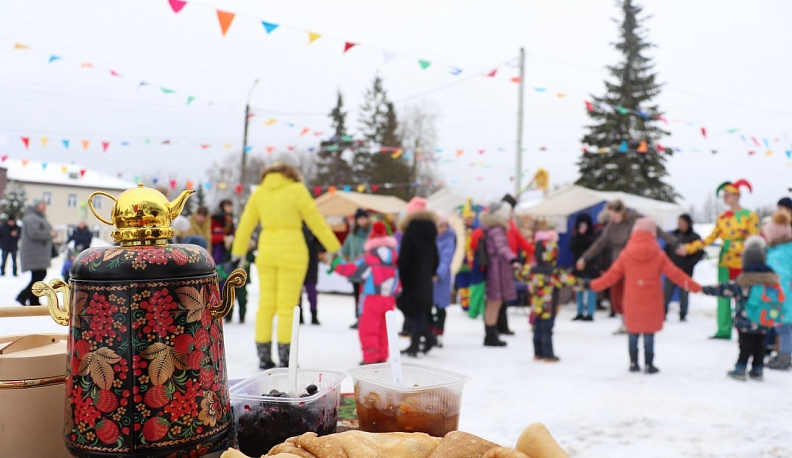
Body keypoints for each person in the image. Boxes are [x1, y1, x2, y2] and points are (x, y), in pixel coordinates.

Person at [231, 163, 340, 370]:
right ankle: (286, 357)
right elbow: (316, 220)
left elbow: (246, 223)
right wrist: (333, 246)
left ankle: (263, 356)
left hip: (267, 252)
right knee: (287, 306)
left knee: (265, 305)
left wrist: (238, 251)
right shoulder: (297, 190)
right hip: (293, 252)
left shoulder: (260, 192)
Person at [587, 218, 702, 374]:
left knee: (633, 332)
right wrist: (696, 287)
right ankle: (649, 364)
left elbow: (611, 276)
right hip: (652, 301)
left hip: (632, 300)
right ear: (652, 234)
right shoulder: (658, 255)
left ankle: (633, 363)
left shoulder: (626, 255)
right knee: (649, 333)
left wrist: (592, 285)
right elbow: (676, 275)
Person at [676, 180, 760, 340]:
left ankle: (747, 329)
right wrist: (689, 248)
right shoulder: (723, 217)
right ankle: (723, 330)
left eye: (727, 195)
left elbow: (754, 240)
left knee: (744, 296)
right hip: (725, 262)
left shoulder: (750, 215)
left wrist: (742, 250)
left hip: (744, 262)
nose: (725, 198)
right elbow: (709, 238)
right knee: (723, 295)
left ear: (737, 195)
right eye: (724, 196)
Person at [577, 200, 675, 334]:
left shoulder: (636, 220)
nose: (613, 218)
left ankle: (636, 323)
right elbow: (600, 243)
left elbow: (657, 231)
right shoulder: (612, 225)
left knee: (633, 295)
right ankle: (626, 321)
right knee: (617, 297)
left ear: (621, 211)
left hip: (635, 264)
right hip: (618, 264)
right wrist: (584, 258)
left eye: (614, 215)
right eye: (610, 216)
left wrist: (676, 243)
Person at [701, 236, 785, 381]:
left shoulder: (744, 280)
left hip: (746, 321)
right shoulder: (771, 280)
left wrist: (704, 289)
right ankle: (757, 370)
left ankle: (740, 369)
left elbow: (725, 289)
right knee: (760, 346)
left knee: (745, 346)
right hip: (764, 320)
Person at [331, 221, 400, 364]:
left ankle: (370, 358)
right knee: (384, 329)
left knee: (368, 328)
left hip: (371, 299)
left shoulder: (369, 259)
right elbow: (398, 281)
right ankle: (382, 355)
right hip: (389, 299)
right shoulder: (393, 259)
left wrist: (336, 263)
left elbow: (352, 270)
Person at [516, 230, 575, 362]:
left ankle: (538, 352)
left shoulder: (532, 271)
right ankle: (548, 354)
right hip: (549, 306)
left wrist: (516, 268)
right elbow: (570, 280)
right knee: (547, 329)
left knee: (537, 328)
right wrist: (587, 284)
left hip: (536, 305)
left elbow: (521, 275)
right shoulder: (555, 273)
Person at [397, 198, 439, 357]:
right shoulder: (431, 230)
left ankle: (426, 338)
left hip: (411, 278)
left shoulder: (410, 231)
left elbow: (405, 257)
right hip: (425, 277)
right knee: (418, 312)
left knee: (409, 308)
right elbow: (436, 255)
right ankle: (419, 341)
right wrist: (432, 271)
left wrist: (402, 274)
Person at [479, 201, 521, 347]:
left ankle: (491, 332)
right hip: (497, 270)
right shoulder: (497, 230)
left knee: (494, 302)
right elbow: (501, 248)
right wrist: (513, 259)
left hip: (495, 268)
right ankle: (490, 335)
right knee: (494, 302)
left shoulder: (491, 228)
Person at [499, 194, 534, 335]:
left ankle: (501, 325)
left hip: (509, 263)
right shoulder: (502, 224)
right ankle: (498, 325)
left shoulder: (509, 223)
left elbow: (519, 240)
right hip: (503, 262)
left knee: (503, 297)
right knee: (499, 297)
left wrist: (533, 250)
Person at [763, 211, 792, 370]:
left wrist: (777, 298)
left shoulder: (778, 254)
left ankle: (784, 358)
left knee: (783, 328)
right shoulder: (787, 248)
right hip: (787, 296)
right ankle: (784, 354)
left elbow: (781, 278)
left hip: (782, 297)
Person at [663, 214, 704, 322]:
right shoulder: (673, 235)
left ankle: (683, 314)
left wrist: (689, 264)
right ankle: (662, 314)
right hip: (671, 270)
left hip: (686, 271)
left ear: (688, 223)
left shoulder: (694, 237)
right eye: (678, 222)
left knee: (684, 294)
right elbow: (666, 251)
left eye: (682, 222)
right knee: (666, 293)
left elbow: (699, 254)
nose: (680, 224)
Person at [16, 199, 55, 306]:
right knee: (40, 275)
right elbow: (34, 233)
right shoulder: (31, 218)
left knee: (38, 275)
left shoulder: (37, 217)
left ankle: (33, 300)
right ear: (37, 206)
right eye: (43, 204)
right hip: (34, 253)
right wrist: (50, 234)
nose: (45, 207)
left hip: (38, 252)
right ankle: (23, 296)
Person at [454, 198, 487, 318]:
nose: (469, 220)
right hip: (461, 261)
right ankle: (465, 305)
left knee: (472, 285)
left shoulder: (475, 230)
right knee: (463, 285)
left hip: (472, 262)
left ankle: (472, 305)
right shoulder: (458, 231)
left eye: (471, 218)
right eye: (467, 218)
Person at [341, 208, 371, 329]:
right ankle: (358, 318)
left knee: (367, 296)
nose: (362, 221)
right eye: (360, 218)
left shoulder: (371, 234)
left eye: (364, 218)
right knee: (357, 295)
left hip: (368, 271)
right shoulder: (352, 235)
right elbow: (345, 251)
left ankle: (366, 318)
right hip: (354, 271)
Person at [430, 211, 456, 347]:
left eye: (444, 226)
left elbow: (446, 259)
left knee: (440, 308)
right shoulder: (431, 239)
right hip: (429, 278)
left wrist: (438, 273)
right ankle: (429, 332)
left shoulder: (448, 240)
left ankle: (438, 334)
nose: (441, 229)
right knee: (428, 307)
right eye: (439, 226)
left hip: (441, 279)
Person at [569, 213, 599, 321]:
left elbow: (595, 250)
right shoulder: (575, 236)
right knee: (579, 291)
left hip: (590, 267)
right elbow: (572, 248)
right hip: (578, 267)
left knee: (591, 291)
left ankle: (590, 313)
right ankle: (580, 312)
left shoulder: (593, 236)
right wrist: (578, 235)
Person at [299, 225, 325, 325]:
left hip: (310, 266)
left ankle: (312, 315)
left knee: (311, 292)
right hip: (299, 266)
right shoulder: (296, 229)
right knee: (300, 294)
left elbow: (321, 245)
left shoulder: (313, 230)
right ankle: (300, 316)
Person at [211, 199, 235, 265]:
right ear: (222, 206)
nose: (229, 207)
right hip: (216, 245)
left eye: (230, 205)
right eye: (227, 205)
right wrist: (223, 237)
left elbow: (232, 232)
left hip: (227, 244)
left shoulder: (229, 219)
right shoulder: (215, 218)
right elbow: (209, 235)